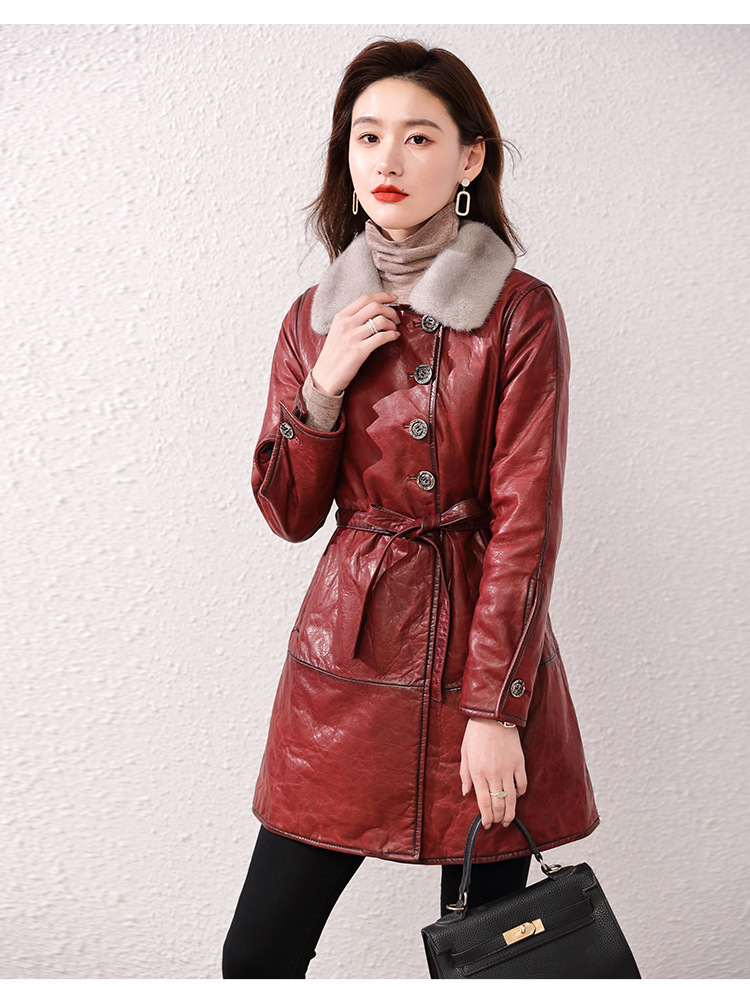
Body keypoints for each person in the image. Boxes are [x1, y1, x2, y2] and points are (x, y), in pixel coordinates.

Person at [222, 38, 598, 979]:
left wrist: (496, 710)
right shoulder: (315, 317)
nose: (387, 160)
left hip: (479, 661)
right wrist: (323, 386)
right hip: (345, 667)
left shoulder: (519, 313)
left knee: (489, 960)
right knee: (257, 951)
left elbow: (524, 524)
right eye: (368, 136)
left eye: (419, 137)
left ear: (469, 159)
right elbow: (288, 512)